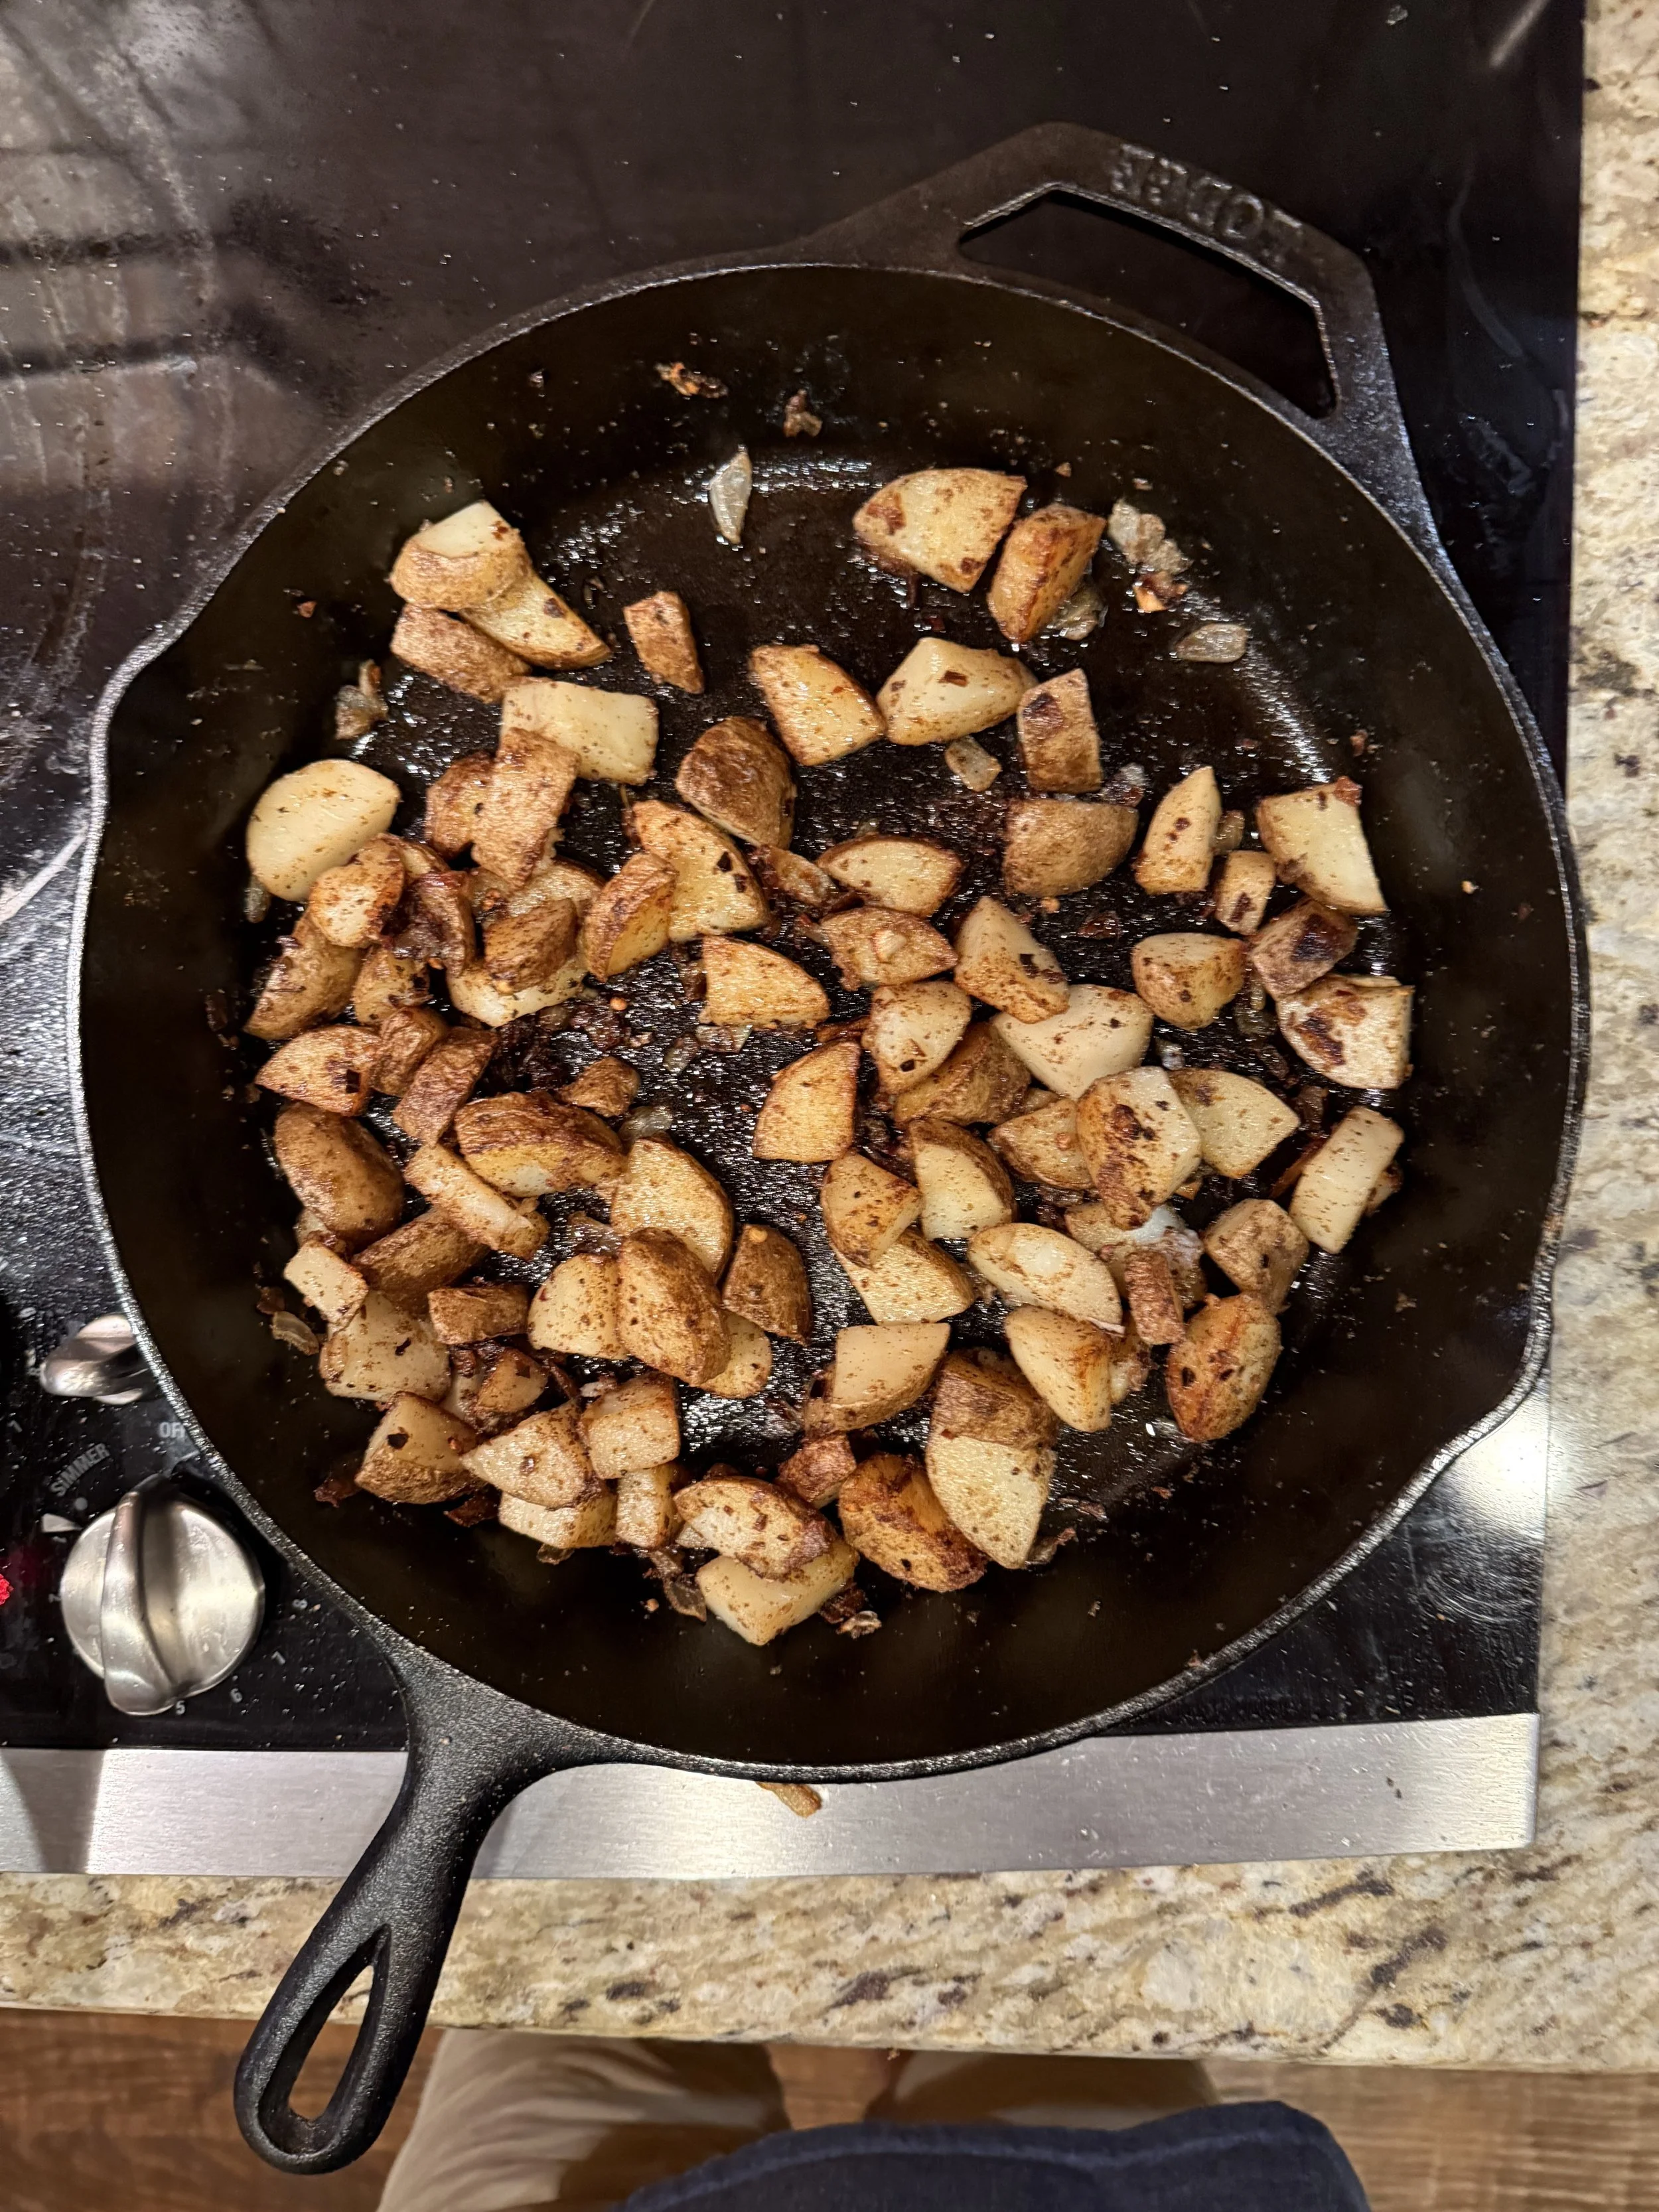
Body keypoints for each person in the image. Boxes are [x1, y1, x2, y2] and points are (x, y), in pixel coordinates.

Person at [378, 2029, 1370, 2209]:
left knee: (543, 2011)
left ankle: (908, 2052)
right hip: (1082, 2191)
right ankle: (914, 2051)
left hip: (580, 2198)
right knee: (1054, 2012)